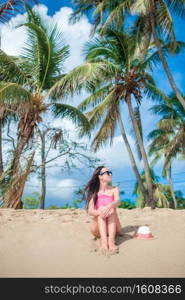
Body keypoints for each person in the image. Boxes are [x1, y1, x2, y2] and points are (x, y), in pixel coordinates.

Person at [84, 166, 123, 254]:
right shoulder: (95, 193)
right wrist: (101, 211)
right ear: (100, 176)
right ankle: (104, 243)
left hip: (114, 228)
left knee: (111, 210)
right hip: (97, 230)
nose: (110, 174)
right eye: (107, 173)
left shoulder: (114, 189)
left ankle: (111, 242)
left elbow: (118, 201)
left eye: (110, 173)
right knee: (101, 212)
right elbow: (90, 211)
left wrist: (110, 205)